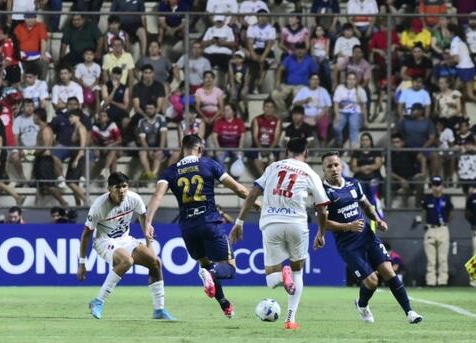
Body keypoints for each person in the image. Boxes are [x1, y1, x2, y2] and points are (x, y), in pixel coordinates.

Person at [145, 135, 253, 319]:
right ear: (200, 149)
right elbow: (239, 189)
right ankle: (209, 273)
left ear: (182, 150)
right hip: (210, 223)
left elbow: (157, 196)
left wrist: (148, 222)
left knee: (206, 263)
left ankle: (224, 304)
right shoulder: (209, 164)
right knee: (229, 268)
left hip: (188, 229)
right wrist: (254, 201)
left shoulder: (170, 171)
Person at [229, 138, 330, 330]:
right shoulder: (310, 172)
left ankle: (283, 276)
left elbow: (252, 194)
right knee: (298, 272)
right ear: (306, 153)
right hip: (297, 224)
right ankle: (290, 320)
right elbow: (323, 209)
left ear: (286, 152)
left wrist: (239, 222)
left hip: (271, 223)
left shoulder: (273, 167)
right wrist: (321, 233)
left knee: (270, 281)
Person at [321, 152, 423, 324]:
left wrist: (377, 219)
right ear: (323, 170)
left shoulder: (353, 184)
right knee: (372, 281)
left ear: (342, 166)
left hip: (367, 236)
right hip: (348, 244)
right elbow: (323, 223)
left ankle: (410, 312)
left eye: (336, 165)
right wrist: (348, 226)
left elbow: (366, 205)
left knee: (389, 271)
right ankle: (362, 305)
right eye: (329, 166)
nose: (334, 169)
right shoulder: (323, 192)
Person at [78, 172, 175, 321]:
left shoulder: (133, 198)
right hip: (104, 241)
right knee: (126, 261)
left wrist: (149, 243)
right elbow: (86, 234)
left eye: (124, 186)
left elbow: (144, 218)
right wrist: (82, 263)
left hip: (125, 239)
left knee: (155, 263)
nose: (122, 190)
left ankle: (159, 310)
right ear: (109, 188)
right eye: (118, 187)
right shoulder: (99, 206)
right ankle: (98, 301)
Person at [422, 176, 452, 286]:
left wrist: (446, 223)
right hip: (431, 228)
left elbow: (451, 212)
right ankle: (431, 281)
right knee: (431, 259)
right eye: (434, 185)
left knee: (443, 258)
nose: (436, 187)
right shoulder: (427, 198)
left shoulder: (447, 198)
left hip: (443, 228)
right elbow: (424, 212)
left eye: (438, 185)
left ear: (442, 186)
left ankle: (442, 281)